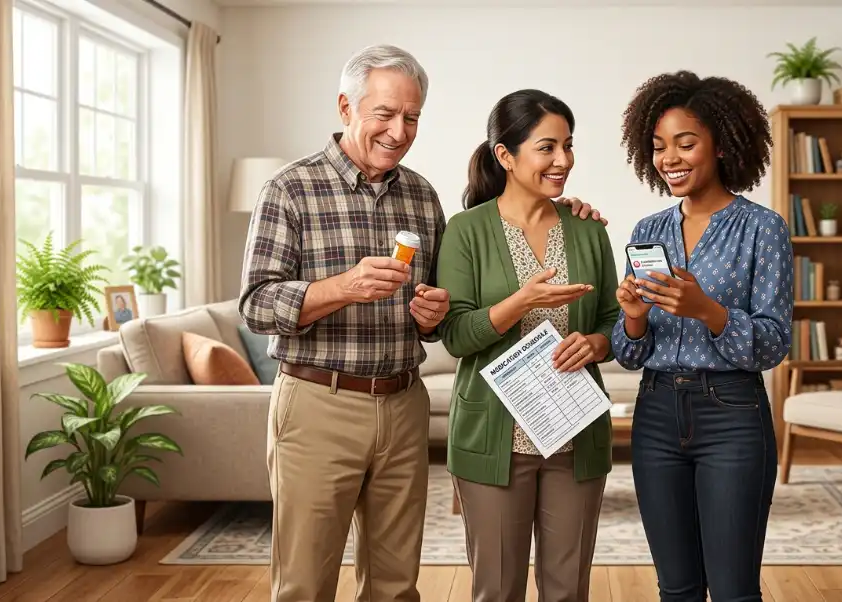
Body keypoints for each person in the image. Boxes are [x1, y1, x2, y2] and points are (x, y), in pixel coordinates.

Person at [238, 45, 606, 602]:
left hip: (403, 404)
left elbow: (444, 320)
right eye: (385, 114)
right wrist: (344, 286)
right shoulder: (290, 189)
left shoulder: (421, 196)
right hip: (319, 402)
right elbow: (256, 304)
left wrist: (430, 316)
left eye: (411, 117)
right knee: (305, 583)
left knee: (394, 584)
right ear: (346, 107)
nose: (399, 130)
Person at [611, 72, 793, 602]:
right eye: (659, 146)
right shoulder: (648, 231)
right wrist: (633, 317)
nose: (670, 157)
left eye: (685, 143)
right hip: (656, 414)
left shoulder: (764, 227)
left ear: (723, 142)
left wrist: (709, 311)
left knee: (735, 590)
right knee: (677, 588)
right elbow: (629, 353)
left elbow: (773, 342)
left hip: (732, 415)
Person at [435, 89, 621, 602]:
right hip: (495, 439)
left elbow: (612, 319)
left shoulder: (587, 230)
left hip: (574, 435)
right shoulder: (466, 231)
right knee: (497, 589)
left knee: (568, 591)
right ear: (505, 155)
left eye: (568, 146)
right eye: (546, 147)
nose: (563, 160)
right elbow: (454, 335)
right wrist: (518, 302)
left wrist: (598, 343)